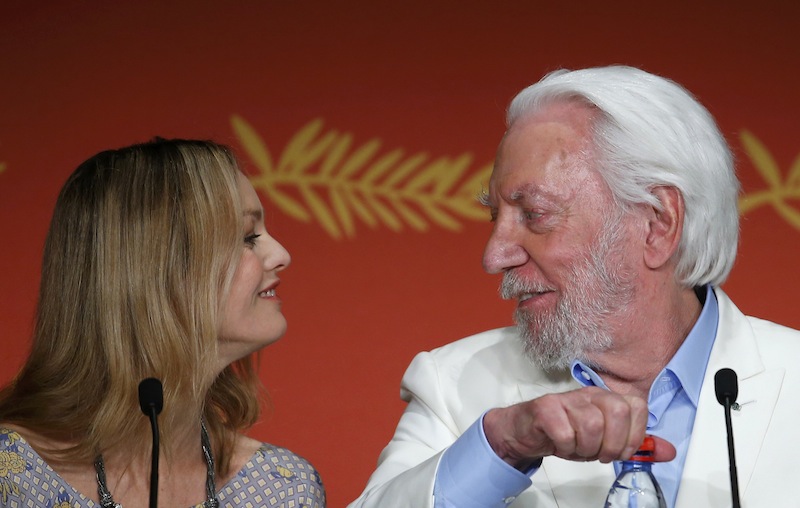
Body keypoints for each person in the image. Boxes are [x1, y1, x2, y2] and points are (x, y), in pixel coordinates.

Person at [349, 65, 800, 507]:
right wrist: (503, 447)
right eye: (495, 218)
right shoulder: (454, 386)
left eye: (534, 214)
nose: (494, 256)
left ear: (657, 224)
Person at [0, 139, 326, 507]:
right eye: (248, 237)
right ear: (159, 271)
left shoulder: (282, 489)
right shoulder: (11, 478)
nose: (282, 255)